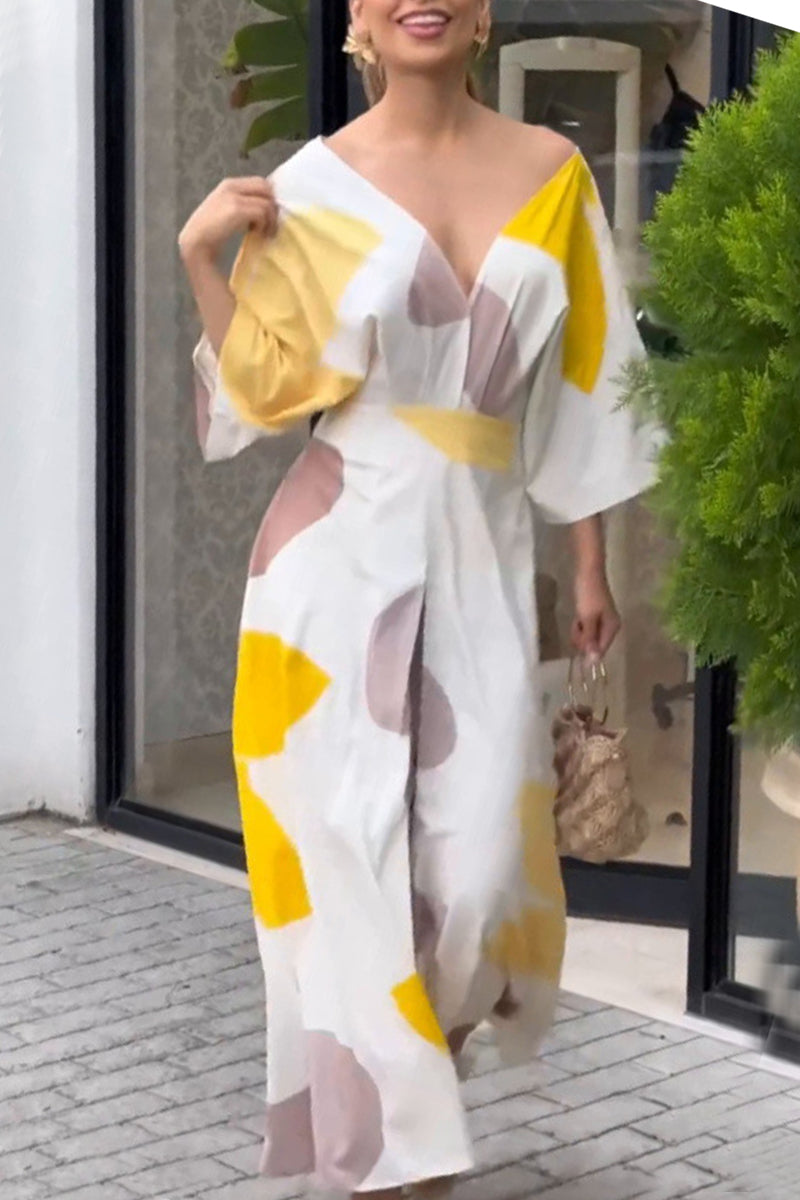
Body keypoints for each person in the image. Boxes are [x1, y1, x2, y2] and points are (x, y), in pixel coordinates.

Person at [178, 1, 661, 1196]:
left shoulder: (550, 175)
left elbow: (583, 385)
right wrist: (199, 260)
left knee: (482, 872)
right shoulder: (313, 185)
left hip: (482, 553)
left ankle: (408, 1096)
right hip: (327, 565)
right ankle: (400, 1156)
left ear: (484, 13)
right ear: (357, 18)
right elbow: (261, 397)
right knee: (347, 868)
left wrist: (588, 564)